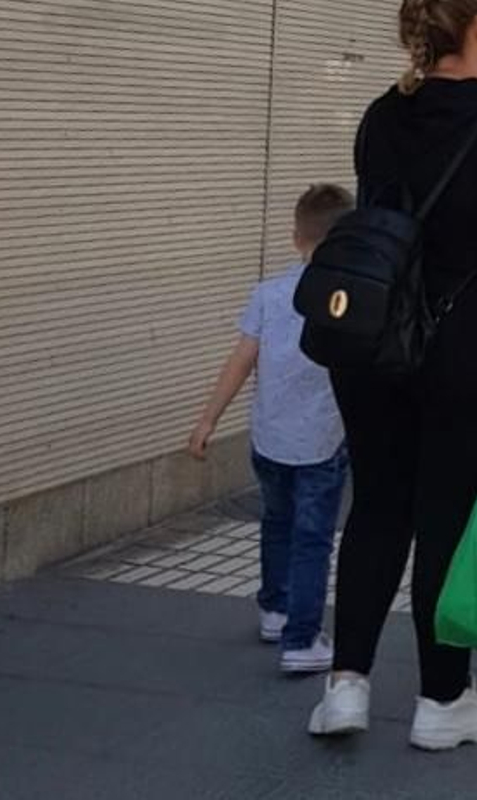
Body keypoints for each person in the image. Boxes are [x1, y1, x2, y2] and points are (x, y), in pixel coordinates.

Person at [307, 0, 477, 751]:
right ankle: (443, 698)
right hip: (474, 350)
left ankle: (346, 686)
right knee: (447, 517)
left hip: (374, 343)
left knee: (379, 507)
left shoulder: (382, 116)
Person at [188, 184, 355, 675]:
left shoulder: (268, 293)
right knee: (312, 540)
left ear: (294, 236)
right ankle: (302, 639)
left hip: (268, 439)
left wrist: (207, 420)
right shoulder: (347, 300)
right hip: (322, 443)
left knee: (276, 524)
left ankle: (274, 610)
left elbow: (241, 360)